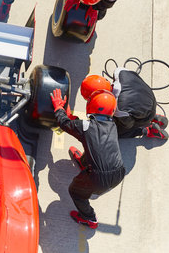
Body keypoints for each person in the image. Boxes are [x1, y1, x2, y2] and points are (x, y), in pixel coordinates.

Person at [50, 88, 125, 229]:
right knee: (96, 147)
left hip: (97, 178)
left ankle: (89, 218)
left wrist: (58, 107)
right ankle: (84, 162)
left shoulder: (85, 127)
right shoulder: (113, 125)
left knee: (75, 192)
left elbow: (64, 123)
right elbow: (85, 129)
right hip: (119, 172)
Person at [80, 72, 169, 140]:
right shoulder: (119, 72)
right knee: (136, 107)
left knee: (113, 133)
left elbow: (128, 125)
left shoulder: (120, 109)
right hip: (150, 98)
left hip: (145, 114)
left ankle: (147, 129)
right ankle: (154, 117)